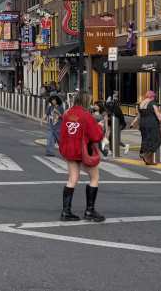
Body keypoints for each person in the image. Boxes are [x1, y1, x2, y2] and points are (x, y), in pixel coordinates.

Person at [59, 91, 105, 222]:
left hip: (69, 150)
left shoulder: (67, 113)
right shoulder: (86, 116)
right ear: (86, 101)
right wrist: (100, 127)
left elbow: (62, 132)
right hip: (83, 151)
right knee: (94, 177)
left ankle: (66, 211)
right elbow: (96, 136)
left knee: (72, 178)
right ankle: (90, 210)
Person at [129, 90, 161, 165]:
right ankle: (147, 155)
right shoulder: (153, 103)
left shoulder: (141, 104)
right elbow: (158, 115)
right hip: (152, 123)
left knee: (145, 139)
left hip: (143, 124)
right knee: (158, 139)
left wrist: (132, 123)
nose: (154, 98)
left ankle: (147, 157)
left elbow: (138, 116)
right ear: (152, 96)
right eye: (154, 96)